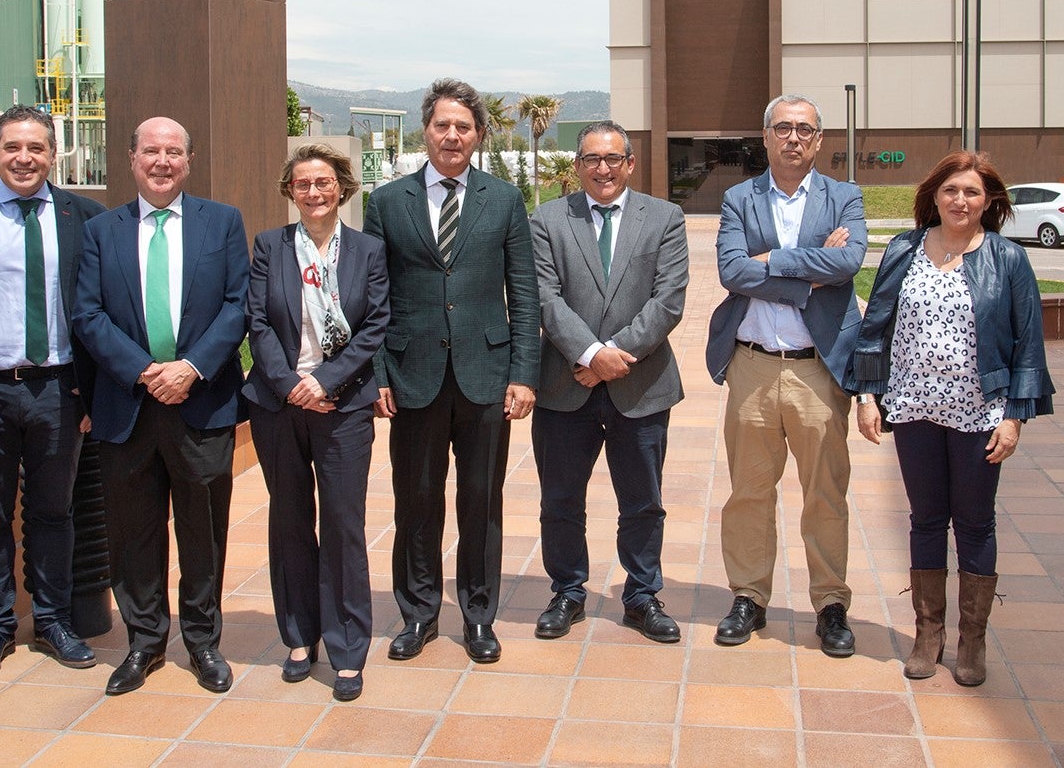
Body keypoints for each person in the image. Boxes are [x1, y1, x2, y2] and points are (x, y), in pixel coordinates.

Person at [852, 151, 1054, 687]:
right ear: (934, 196)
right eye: (950, 191)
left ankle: (972, 640)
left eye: (971, 192)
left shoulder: (1007, 259)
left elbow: (1027, 345)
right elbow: (876, 327)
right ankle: (928, 634)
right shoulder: (904, 249)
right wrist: (867, 397)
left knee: (974, 521)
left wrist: (1014, 417)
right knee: (924, 519)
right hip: (913, 405)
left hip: (978, 411)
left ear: (988, 201)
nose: (959, 200)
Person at [364, 77, 540, 665]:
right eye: (442, 124)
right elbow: (374, 296)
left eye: (464, 126)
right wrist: (379, 374)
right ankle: (418, 614)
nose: (452, 135)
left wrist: (524, 372)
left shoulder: (505, 199)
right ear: (426, 131)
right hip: (412, 375)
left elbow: (525, 291)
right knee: (415, 499)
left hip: (487, 374)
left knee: (481, 501)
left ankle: (479, 615)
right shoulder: (388, 202)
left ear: (479, 135)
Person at [72, 117, 249, 696]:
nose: (163, 161)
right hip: (128, 405)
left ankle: (203, 642)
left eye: (174, 151)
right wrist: (144, 371)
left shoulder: (221, 223)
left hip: (201, 403)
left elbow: (236, 306)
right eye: (152, 151)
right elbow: (88, 316)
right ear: (131, 158)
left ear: (189, 161)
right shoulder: (102, 230)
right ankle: (144, 642)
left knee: (204, 531)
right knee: (134, 532)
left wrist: (190, 368)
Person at [705, 93, 867, 658]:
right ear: (766, 136)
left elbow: (848, 264)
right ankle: (748, 596)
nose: (793, 138)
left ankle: (831, 603)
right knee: (749, 490)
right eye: (783, 128)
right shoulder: (737, 198)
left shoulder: (845, 197)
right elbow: (730, 271)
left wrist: (771, 261)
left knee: (825, 492)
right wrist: (806, 269)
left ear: (819, 140)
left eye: (805, 129)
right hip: (751, 363)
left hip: (817, 369)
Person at [0, 106, 107, 680]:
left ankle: (52, 619)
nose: (25, 158)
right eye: (12, 147)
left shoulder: (82, 217)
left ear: (54, 154)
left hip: (58, 388)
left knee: (53, 510)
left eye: (37, 148)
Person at [528, 121, 689, 643]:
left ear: (630, 163)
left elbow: (668, 299)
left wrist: (617, 356)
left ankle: (643, 595)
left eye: (613, 159)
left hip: (640, 387)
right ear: (578, 165)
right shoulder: (548, 219)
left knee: (642, 500)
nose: (603, 168)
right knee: (560, 501)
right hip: (563, 387)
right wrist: (593, 354)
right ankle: (567, 591)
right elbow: (545, 298)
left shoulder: (664, 217)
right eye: (593, 159)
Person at [243, 144, 390, 702]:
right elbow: (257, 322)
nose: (313, 192)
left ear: (342, 187)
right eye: (302, 183)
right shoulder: (270, 247)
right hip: (280, 405)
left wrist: (325, 382)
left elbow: (376, 324)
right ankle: (299, 637)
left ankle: (349, 648)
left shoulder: (367, 250)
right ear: (289, 190)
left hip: (343, 407)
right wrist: (290, 386)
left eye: (323, 182)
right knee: (289, 522)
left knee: (344, 525)